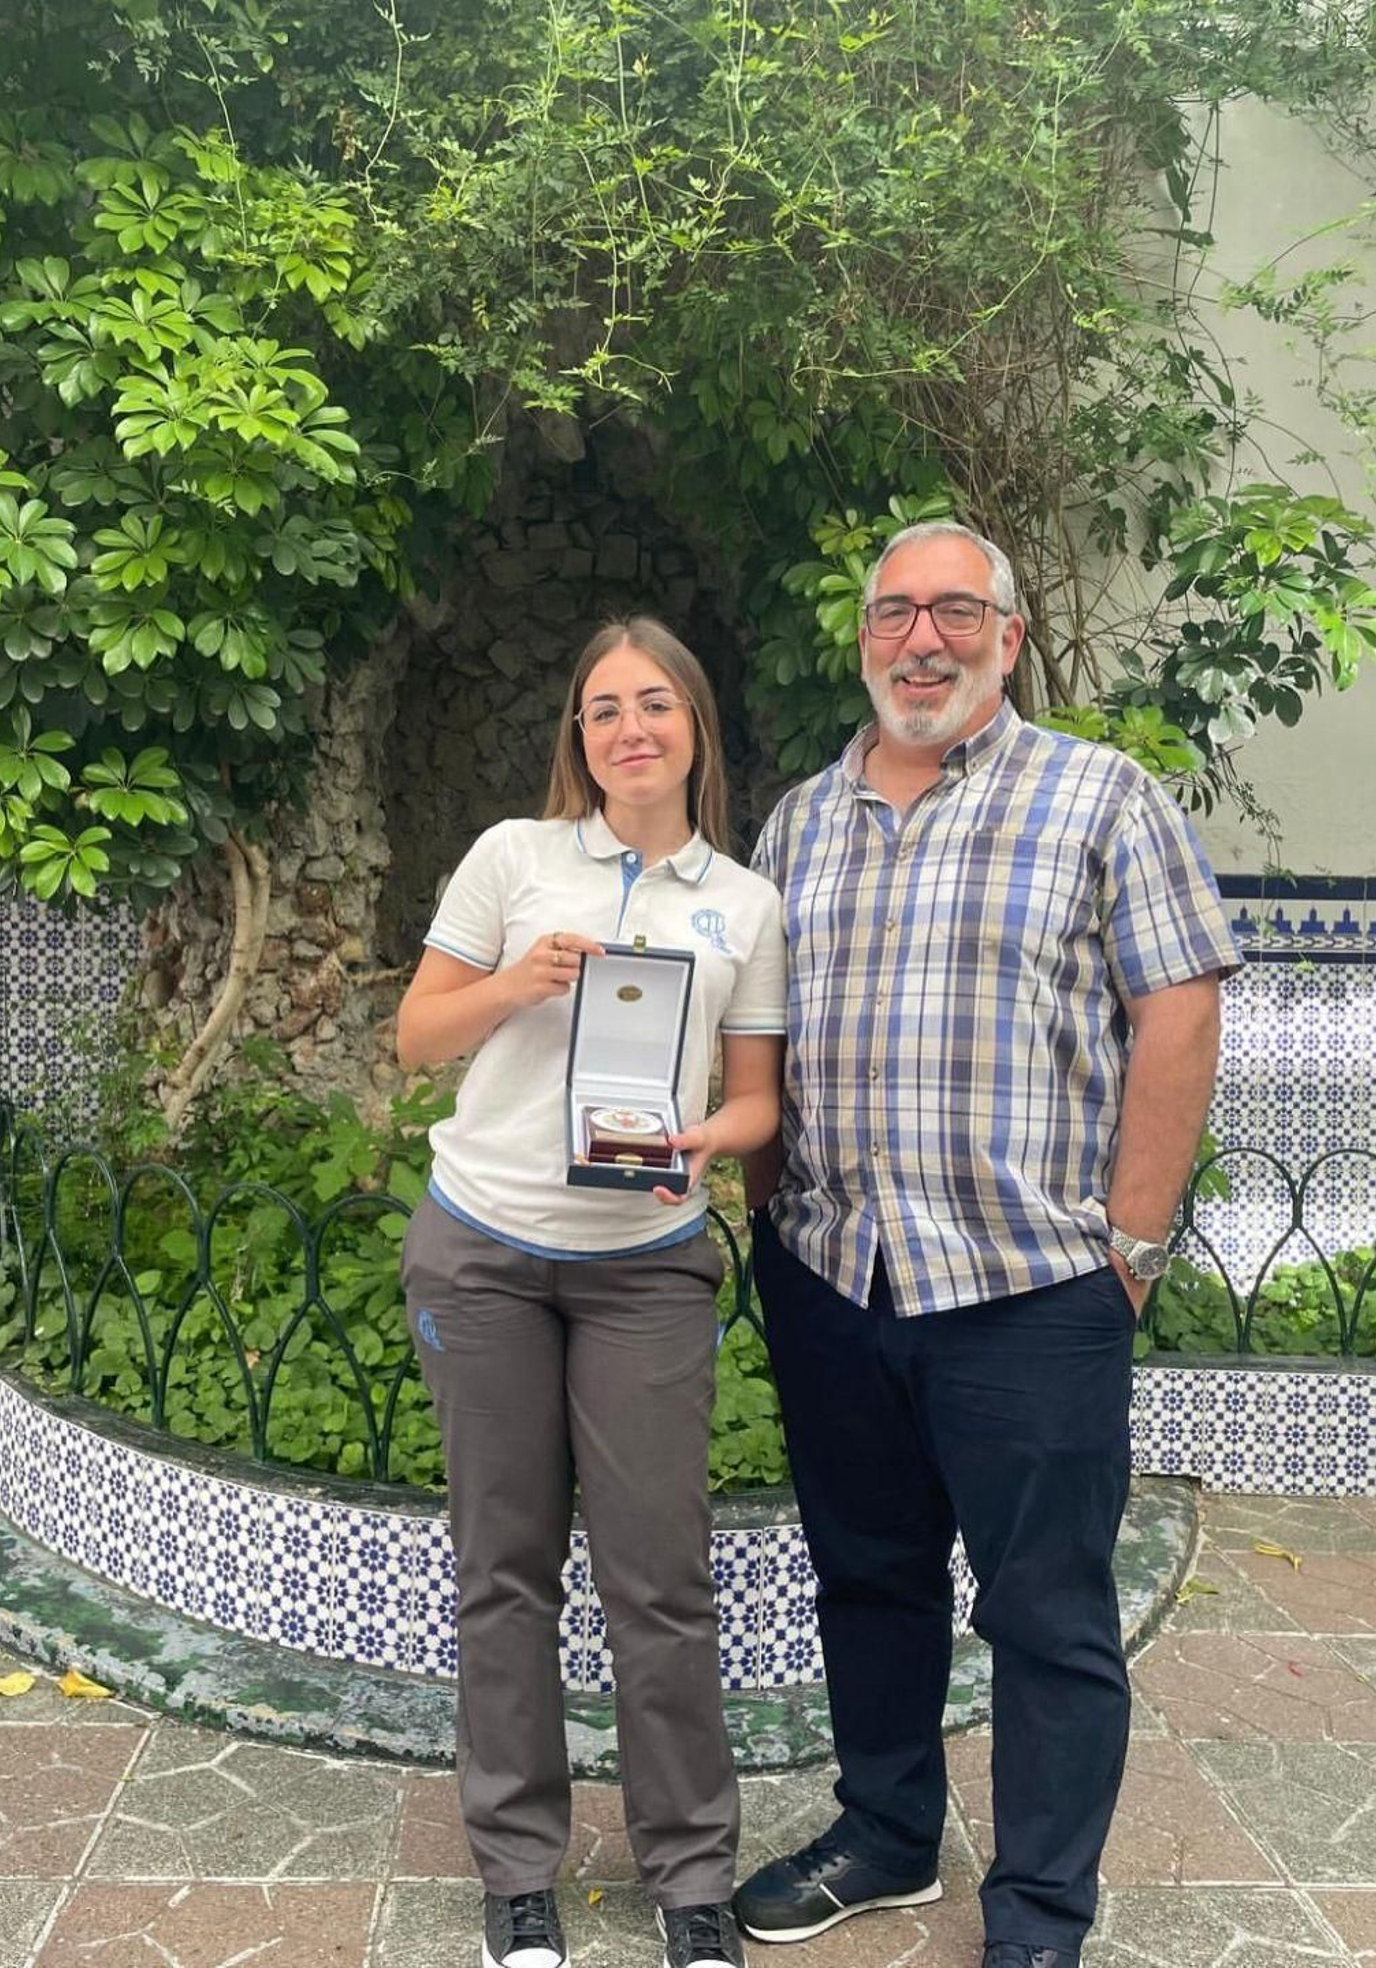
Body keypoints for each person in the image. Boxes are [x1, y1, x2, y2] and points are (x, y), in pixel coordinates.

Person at [732, 522, 1239, 1968]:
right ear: (864, 641)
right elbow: (760, 1039)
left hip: (1028, 1288)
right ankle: (889, 1835)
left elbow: (1181, 1010)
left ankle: (1036, 1915)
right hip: (839, 1276)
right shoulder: (798, 822)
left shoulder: (1099, 797)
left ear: (1009, 640)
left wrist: (1128, 1244)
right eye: (894, 612)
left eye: (958, 611)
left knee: (1048, 1617)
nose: (923, 639)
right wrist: (773, 1222)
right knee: (870, 1578)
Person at [396, 617, 786, 1968]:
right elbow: (415, 1034)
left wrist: (710, 1141)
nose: (630, 728)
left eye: (655, 706)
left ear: (693, 729)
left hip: (646, 1267)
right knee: (502, 1571)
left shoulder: (743, 902)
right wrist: (513, 983)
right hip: (487, 1247)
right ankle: (517, 1869)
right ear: (580, 736)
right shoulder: (515, 858)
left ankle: (690, 1878)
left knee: (661, 1580)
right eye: (605, 708)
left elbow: (753, 1100)